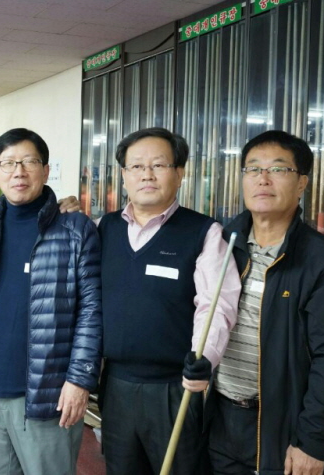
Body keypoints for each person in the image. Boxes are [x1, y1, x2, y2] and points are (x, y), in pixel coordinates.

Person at [208, 130, 324, 474]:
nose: (263, 179)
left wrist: (312, 442)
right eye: (253, 168)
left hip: (285, 425)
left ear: (302, 183)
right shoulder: (220, 245)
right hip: (218, 418)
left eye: (278, 169)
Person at [97, 127, 241, 475]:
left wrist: (203, 358)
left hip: (174, 388)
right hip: (114, 384)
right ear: (124, 175)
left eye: (159, 165)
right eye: (136, 166)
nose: (147, 174)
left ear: (179, 173)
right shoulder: (103, 228)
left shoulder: (204, 231)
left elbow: (217, 305)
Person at [0, 128, 102, 474]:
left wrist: (80, 380)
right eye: (8, 163)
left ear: (45, 170)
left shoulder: (74, 229)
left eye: (29, 161)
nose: (19, 172)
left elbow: (91, 310)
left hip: (47, 395)